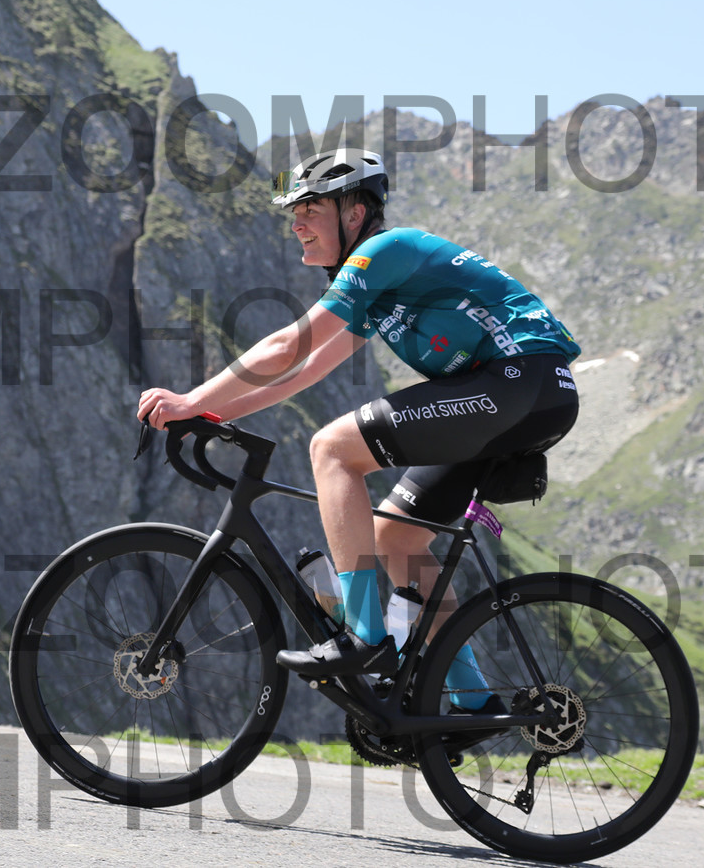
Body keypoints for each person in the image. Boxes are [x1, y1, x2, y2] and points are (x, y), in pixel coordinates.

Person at [137, 148, 582, 707]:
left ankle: (365, 637)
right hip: (521, 393)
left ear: (354, 212)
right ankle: (473, 702)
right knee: (396, 537)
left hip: (518, 383)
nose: (297, 223)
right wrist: (215, 414)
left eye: (311, 208)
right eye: (294, 212)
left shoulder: (384, 251)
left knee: (332, 449)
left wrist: (189, 399)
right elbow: (303, 371)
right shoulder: (377, 288)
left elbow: (287, 345)